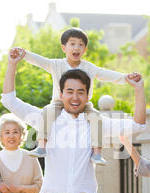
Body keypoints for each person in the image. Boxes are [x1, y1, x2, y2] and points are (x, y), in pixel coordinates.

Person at [1, 51, 146, 193]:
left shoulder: (98, 125)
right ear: (61, 94)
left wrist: (139, 89)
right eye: (69, 91)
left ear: (88, 95)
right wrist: (12, 64)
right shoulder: (46, 119)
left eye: (80, 92)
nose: (75, 97)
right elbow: (9, 100)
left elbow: (138, 126)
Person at [12, 27, 129, 166]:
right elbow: (39, 61)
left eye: (81, 45)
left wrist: (126, 78)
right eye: (72, 44)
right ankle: (42, 146)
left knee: (96, 117)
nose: (77, 48)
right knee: (47, 112)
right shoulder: (56, 64)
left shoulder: (89, 67)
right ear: (64, 48)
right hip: (59, 102)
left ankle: (97, 153)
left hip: (83, 105)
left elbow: (106, 74)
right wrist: (24, 54)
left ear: (85, 50)